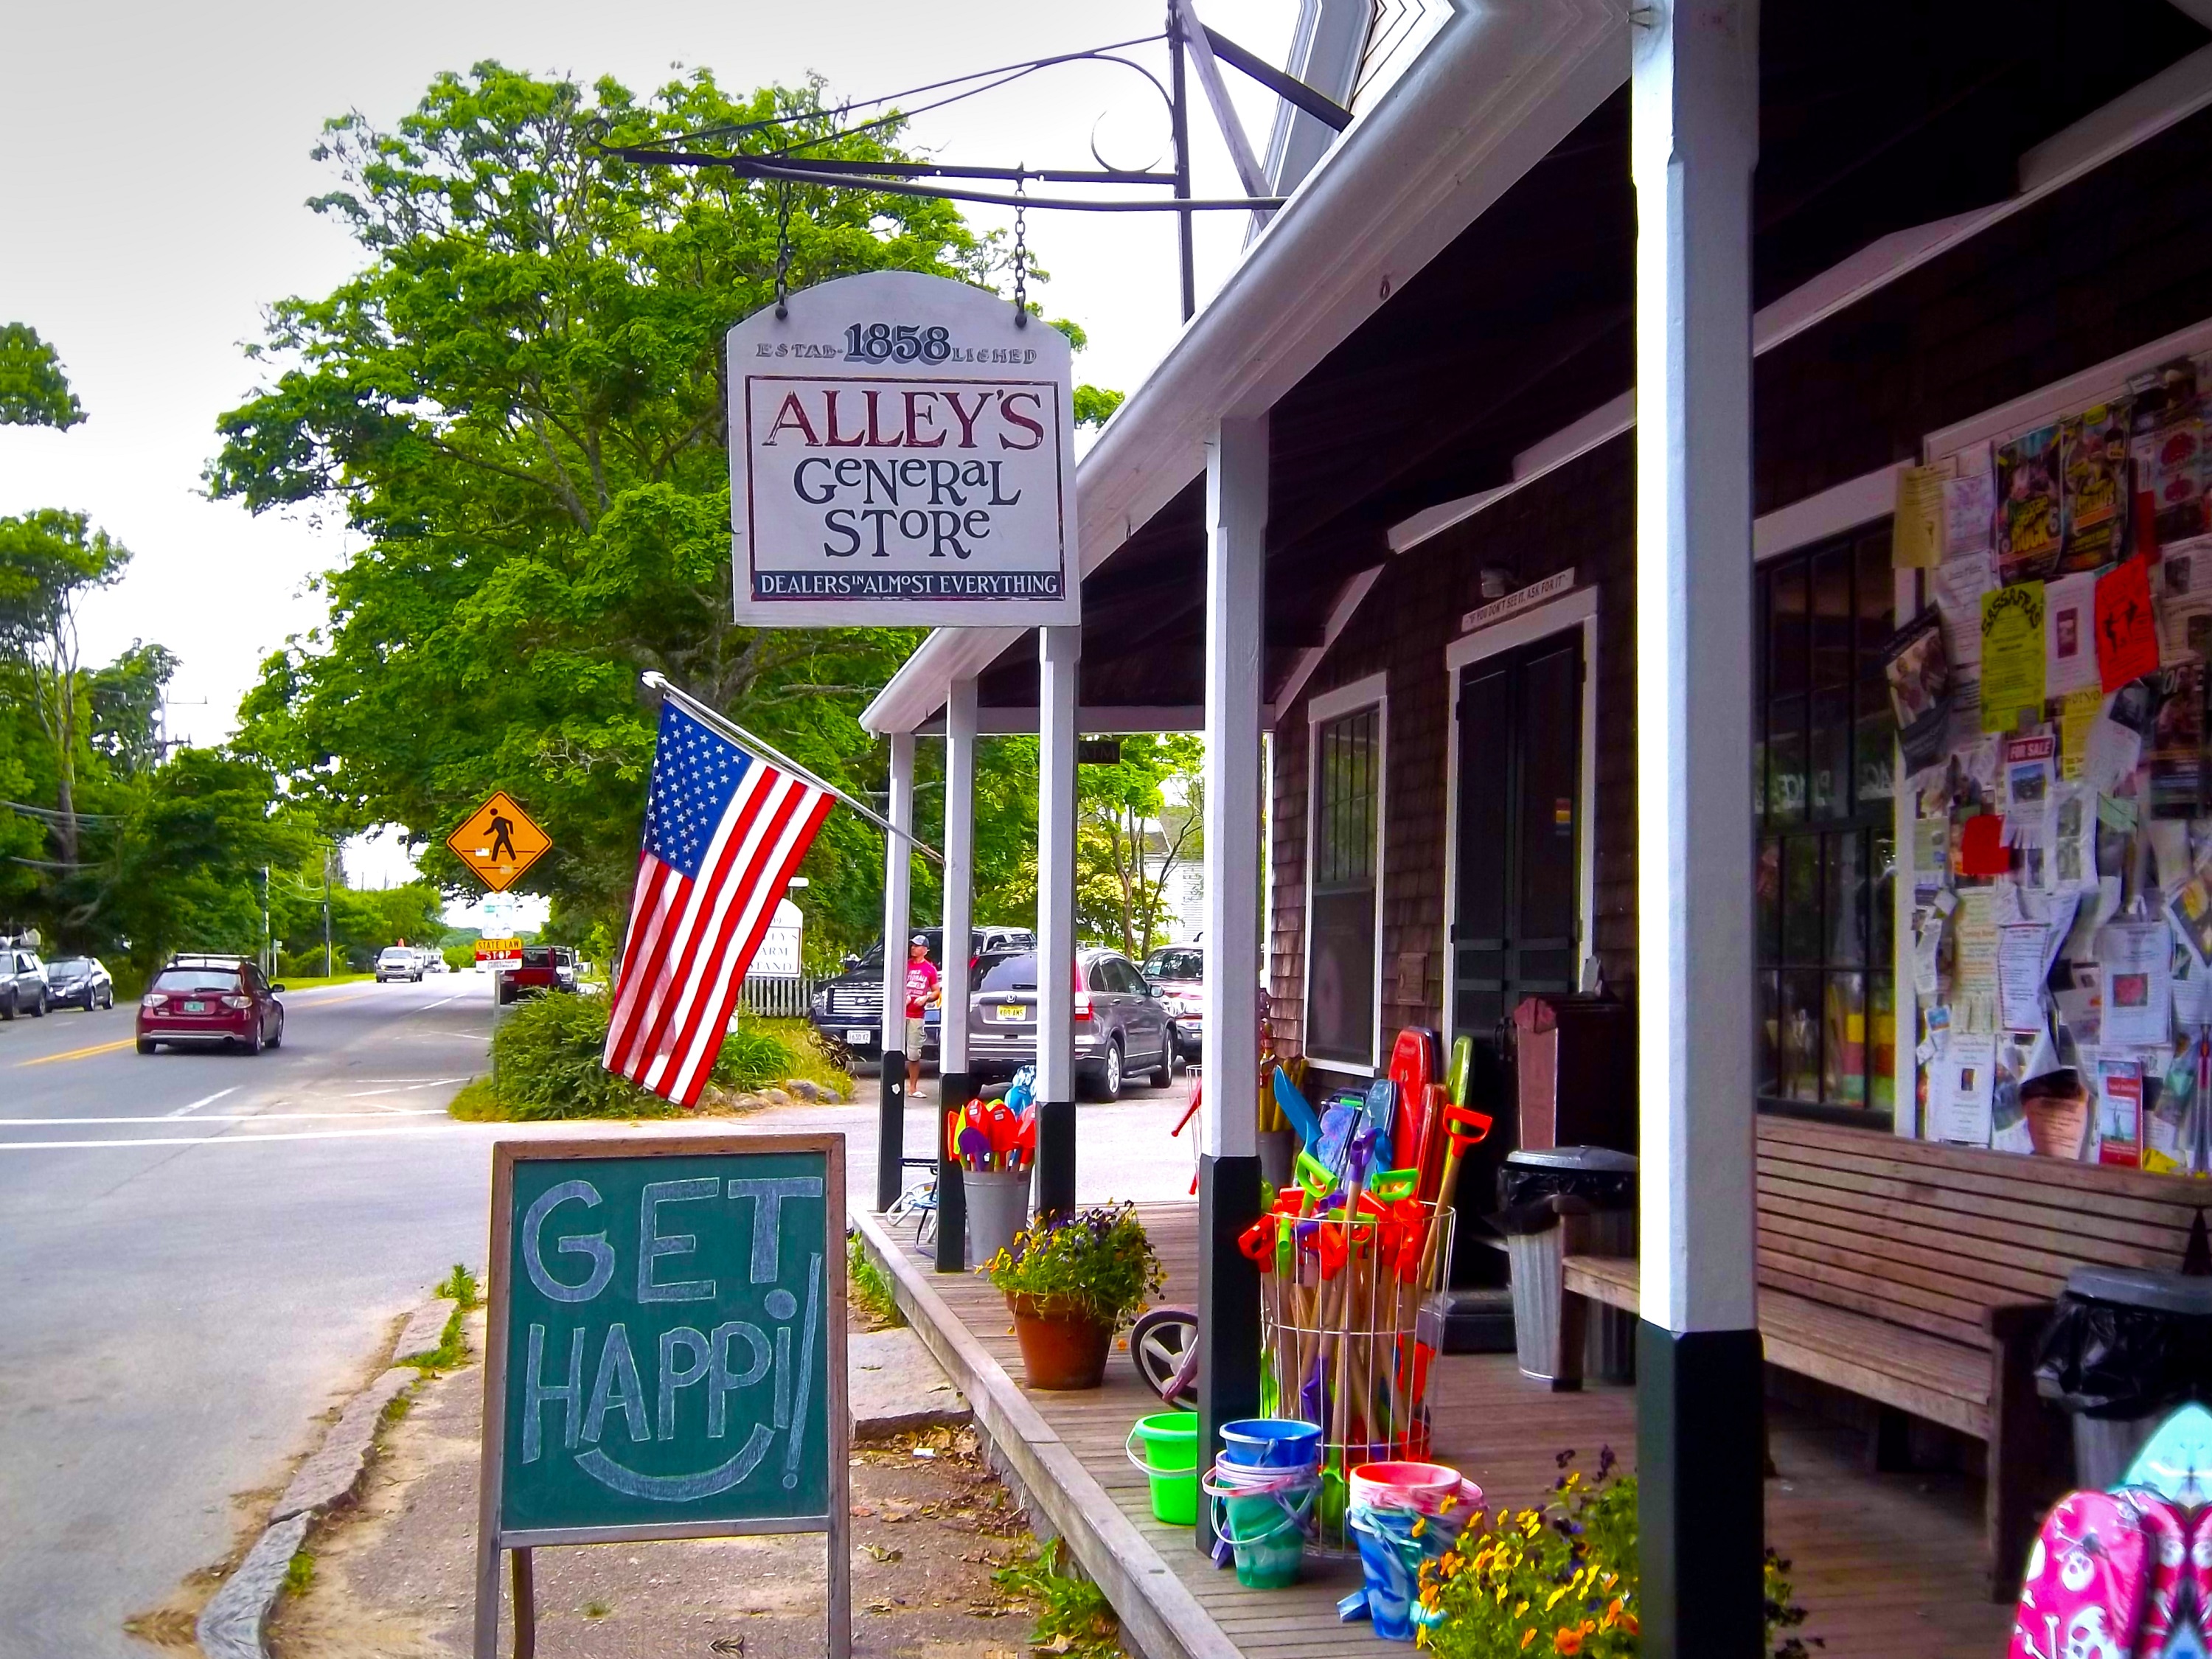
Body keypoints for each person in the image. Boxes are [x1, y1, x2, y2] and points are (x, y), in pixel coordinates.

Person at [903, 934, 939, 1099]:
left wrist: (926, 998)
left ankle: (913, 1088)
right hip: (900, 1014)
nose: (913, 948)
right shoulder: (905, 965)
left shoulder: (930, 969)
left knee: (914, 1053)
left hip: (917, 1015)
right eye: (912, 945)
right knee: (895, 1051)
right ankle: (894, 1086)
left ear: (925, 950)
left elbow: (936, 992)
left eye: (917, 946)